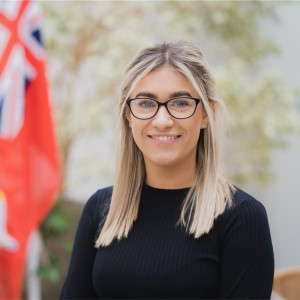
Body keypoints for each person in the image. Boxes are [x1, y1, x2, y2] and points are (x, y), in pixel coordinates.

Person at [60, 41, 274, 299]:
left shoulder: (241, 217)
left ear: (207, 114)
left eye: (181, 103)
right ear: (128, 115)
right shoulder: (101, 208)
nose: (162, 121)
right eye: (146, 104)